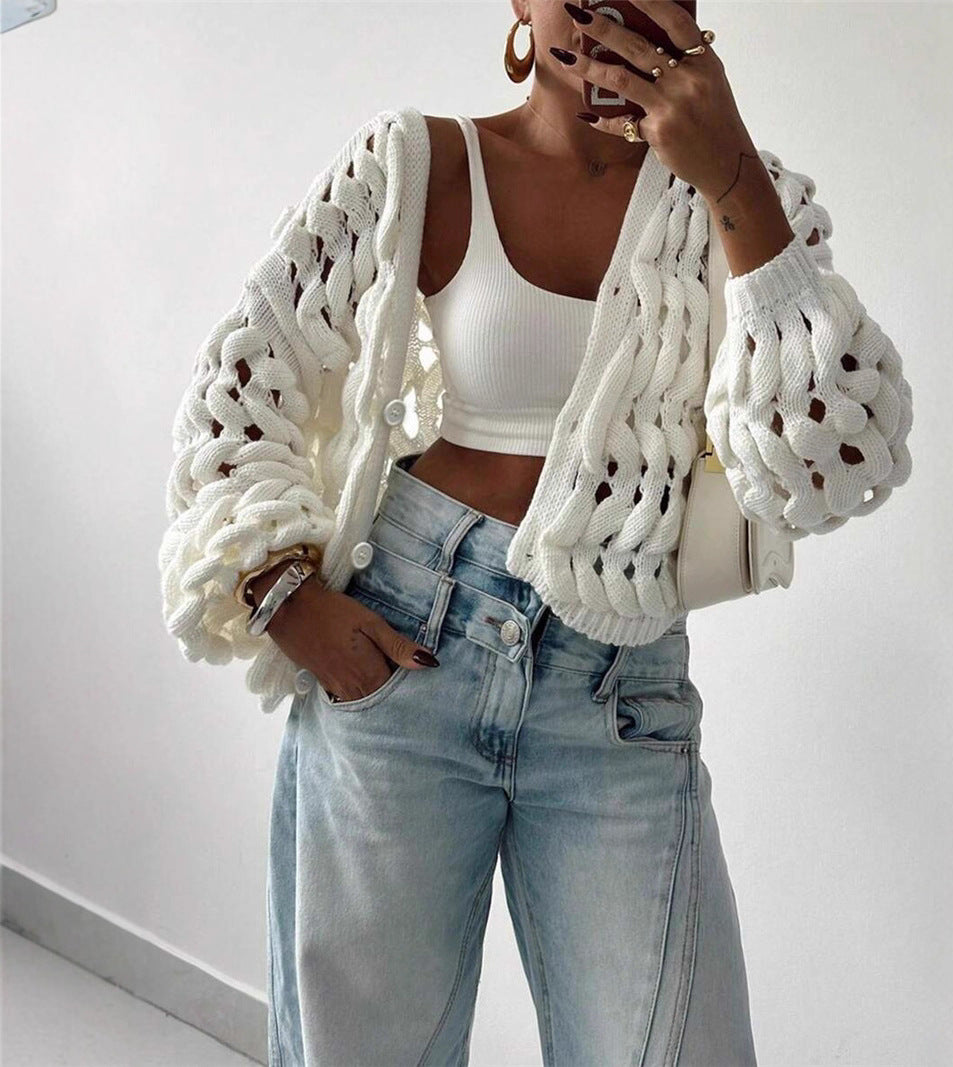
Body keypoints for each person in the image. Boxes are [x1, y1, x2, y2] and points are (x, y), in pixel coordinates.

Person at [159, 2, 913, 1064]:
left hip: (618, 689)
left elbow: (835, 462)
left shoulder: (743, 196)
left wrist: (731, 176)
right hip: (402, 653)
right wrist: (282, 593)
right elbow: (241, 385)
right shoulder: (421, 163)